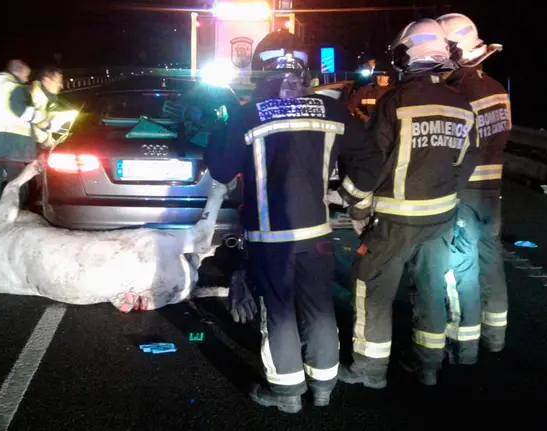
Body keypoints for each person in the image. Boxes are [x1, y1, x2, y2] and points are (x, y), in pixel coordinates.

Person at [204, 29, 383, 413]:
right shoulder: (332, 111)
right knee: (319, 306)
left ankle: (287, 394)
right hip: (317, 233)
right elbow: (371, 159)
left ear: (261, 71)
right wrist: (345, 197)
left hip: (270, 239)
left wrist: (218, 130)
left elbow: (220, 170)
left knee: (280, 310)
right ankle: (323, 386)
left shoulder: (247, 114)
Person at [336, 19, 480, 389]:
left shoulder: (395, 103)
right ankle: (429, 364)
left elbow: (370, 163)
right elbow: (466, 163)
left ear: (407, 55)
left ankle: (370, 370)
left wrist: (354, 204)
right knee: (430, 290)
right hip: (441, 219)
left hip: (393, 222)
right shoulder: (463, 105)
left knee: (372, 289)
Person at [436, 12, 510, 362]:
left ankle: (462, 346)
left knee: (459, 271)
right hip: (492, 192)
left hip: (463, 192)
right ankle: (495, 338)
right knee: (492, 263)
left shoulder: (458, 92)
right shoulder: (497, 89)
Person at [0, 59, 49, 209]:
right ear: (18, 73)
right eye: (26, 76)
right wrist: (44, 121)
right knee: (18, 181)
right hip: (10, 144)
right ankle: (17, 213)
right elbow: (22, 111)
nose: (26, 80)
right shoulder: (15, 87)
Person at [31, 66, 65, 150]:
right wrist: (45, 140)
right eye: (58, 82)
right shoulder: (36, 98)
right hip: (26, 148)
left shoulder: (46, 99)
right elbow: (30, 126)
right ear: (47, 81)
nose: (61, 86)